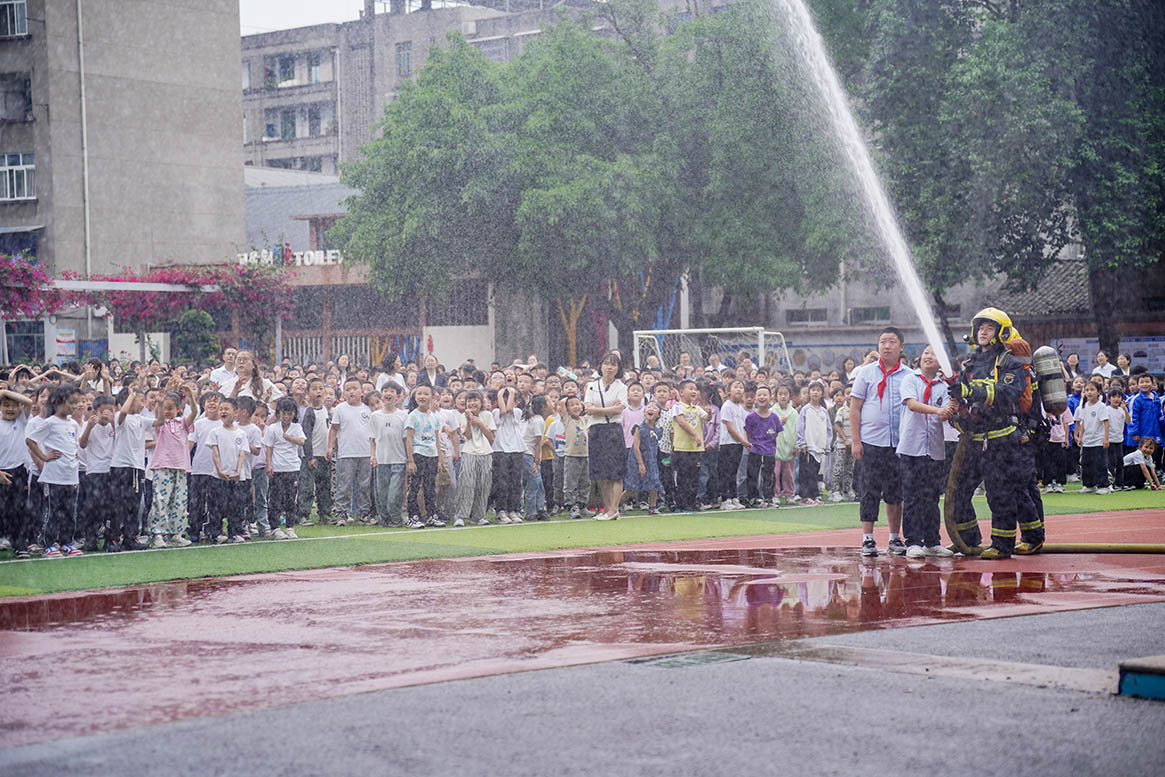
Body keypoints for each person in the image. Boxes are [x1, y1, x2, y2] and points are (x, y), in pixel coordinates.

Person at [952, 309, 1035, 559]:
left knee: (1000, 494)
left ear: (1001, 332)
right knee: (959, 491)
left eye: (989, 328)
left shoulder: (1009, 361)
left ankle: (1002, 544)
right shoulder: (970, 362)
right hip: (974, 439)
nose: (983, 333)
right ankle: (968, 541)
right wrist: (958, 410)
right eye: (980, 328)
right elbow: (960, 395)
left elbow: (1006, 392)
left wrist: (971, 390)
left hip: (1001, 438)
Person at [851, 327, 911, 556]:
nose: (886, 346)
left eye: (891, 341)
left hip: (898, 444)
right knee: (869, 490)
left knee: (896, 492)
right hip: (871, 442)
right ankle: (868, 538)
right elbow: (855, 407)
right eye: (882, 341)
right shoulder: (866, 374)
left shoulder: (908, 375)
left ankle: (895, 538)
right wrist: (856, 441)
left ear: (901, 347)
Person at [897, 346, 957, 558]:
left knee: (931, 496)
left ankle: (932, 541)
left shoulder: (944, 386)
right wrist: (939, 410)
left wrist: (951, 408)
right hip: (911, 447)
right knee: (912, 495)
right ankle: (913, 541)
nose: (929, 357)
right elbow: (912, 405)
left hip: (934, 449)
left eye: (934, 354)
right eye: (926, 353)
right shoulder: (910, 379)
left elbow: (946, 414)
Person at [145, 384, 198, 549]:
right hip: (163, 466)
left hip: (181, 467)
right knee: (161, 500)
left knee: (179, 502)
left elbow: (194, 413)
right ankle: (157, 534)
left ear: (178, 409)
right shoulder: (161, 424)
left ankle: (175, 533)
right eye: (165, 408)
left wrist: (191, 397)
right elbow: (160, 418)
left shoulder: (182, 423)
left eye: (171, 408)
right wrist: (160, 404)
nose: (168, 411)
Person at [584, 352, 628, 521]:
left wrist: (598, 410)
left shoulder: (621, 387)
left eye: (613, 365)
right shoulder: (592, 386)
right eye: (606, 364)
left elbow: (620, 409)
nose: (609, 367)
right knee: (601, 473)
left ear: (618, 369)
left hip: (613, 431)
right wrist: (607, 409)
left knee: (616, 472)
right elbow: (588, 408)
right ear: (601, 366)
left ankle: (615, 509)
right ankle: (608, 508)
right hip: (596, 430)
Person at [328, 377, 373, 524]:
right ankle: (342, 513)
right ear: (343, 393)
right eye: (348, 389)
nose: (351, 392)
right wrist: (330, 447)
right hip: (346, 453)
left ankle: (364, 513)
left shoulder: (368, 409)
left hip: (366, 453)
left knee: (364, 484)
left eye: (355, 388)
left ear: (361, 391)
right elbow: (333, 429)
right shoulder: (340, 409)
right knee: (344, 484)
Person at [405, 384, 447, 527]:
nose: (422, 397)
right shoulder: (412, 416)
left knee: (430, 487)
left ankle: (431, 515)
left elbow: (437, 439)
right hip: (418, 454)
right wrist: (410, 460)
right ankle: (413, 517)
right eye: (419, 394)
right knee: (415, 487)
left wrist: (439, 460)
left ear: (432, 397)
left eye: (425, 394)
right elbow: (409, 438)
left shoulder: (435, 417)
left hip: (432, 456)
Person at [264, 397, 306, 538]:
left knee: (290, 499)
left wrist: (289, 438)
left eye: (290, 413)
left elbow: (301, 441)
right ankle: (274, 528)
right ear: (278, 413)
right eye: (284, 413)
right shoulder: (272, 428)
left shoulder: (297, 427)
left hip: (292, 467)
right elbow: (268, 448)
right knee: (275, 499)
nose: (287, 416)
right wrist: (269, 464)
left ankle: (289, 527)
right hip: (277, 468)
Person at [0, 387, 34, 557]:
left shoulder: (21, 421)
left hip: (19, 470)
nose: (10, 409)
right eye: (6, 405)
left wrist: (6, 392)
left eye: (14, 406)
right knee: (2, 509)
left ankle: (19, 544)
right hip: (0, 470)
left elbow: (28, 402)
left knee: (19, 509)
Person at [209, 397, 248, 544]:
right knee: (217, 506)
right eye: (221, 409)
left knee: (236, 506)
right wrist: (219, 470)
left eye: (227, 409)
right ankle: (216, 533)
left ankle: (235, 532)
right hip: (219, 476)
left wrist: (238, 471)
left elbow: (242, 453)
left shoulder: (241, 433)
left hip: (237, 477)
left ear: (235, 412)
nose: (223, 412)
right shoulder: (215, 432)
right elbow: (215, 452)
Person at [453, 390, 496, 526]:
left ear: (481, 402)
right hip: (469, 452)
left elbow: (491, 438)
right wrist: (469, 420)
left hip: (486, 453)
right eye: (469, 401)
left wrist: (480, 423)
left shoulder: (487, 415)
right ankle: (461, 515)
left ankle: (479, 516)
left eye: (475, 400)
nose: (472, 403)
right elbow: (468, 436)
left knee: (483, 486)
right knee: (467, 484)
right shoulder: (462, 416)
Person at [370, 383, 408, 527]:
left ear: (398, 397)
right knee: (381, 493)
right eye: (385, 391)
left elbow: (406, 439)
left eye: (392, 391)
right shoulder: (375, 416)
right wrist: (372, 456)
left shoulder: (403, 415)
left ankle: (396, 518)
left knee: (394, 494)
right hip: (381, 460)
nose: (388, 393)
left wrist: (409, 459)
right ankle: (385, 519)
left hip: (398, 460)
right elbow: (372, 439)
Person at [298, 378, 332, 526]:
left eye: (320, 388)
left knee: (324, 486)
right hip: (312, 456)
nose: (318, 391)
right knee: (307, 486)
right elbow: (307, 435)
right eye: (314, 389)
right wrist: (310, 456)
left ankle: (325, 513)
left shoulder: (326, 411)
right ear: (308, 393)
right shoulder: (309, 412)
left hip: (325, 455)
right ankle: (304, 514)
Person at [743, 385, 781, 508]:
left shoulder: (774, 417)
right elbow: (747, 432)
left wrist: (770, 443)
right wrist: (750, 444)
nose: (762, 397)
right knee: (753, 474)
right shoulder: (751, 417)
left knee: (769, 475)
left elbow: (777, 431)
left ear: (771, 398)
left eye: (765, 394)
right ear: (755, 398)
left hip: (769, 451)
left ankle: (769, 498)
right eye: (759, 395)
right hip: (755, 450)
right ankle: (754, 498)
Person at [796, 380, 832, 506]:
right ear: (809, 392)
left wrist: (827, 446)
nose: (815, 392)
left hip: (819, 447)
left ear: (822, 393)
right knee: (806, 473)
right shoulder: (805, 410)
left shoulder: (824, 411)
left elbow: (828, 430)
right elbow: (800, 428)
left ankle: (813, 495)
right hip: (808, 447)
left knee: (815, 473)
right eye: (813, 390)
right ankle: (805, 497)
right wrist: (802, 444)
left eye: (818, 390)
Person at [625, 402, 663, 514]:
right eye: (649, 407)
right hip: (637, 460)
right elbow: (636, 447)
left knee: (654, 484)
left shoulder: (658, 430)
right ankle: (616, 505)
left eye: (655, 408)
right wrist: (641, 464)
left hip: (651, 461)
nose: (651, 409)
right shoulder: (639, 428)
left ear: (658, 415)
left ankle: (652, 507)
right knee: (632, 487)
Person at [717, 380, 749, 510]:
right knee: (726, 472)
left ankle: (734, 497)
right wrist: (743, 441)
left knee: (734, 472)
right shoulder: (727, 406)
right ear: (728, 391)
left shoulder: (740, 408)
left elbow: (743, 427)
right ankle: (725, 499)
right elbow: (730, 428)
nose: (739, 389)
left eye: (741, 387)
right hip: (727, 443)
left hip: (738, 444)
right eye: (736, 387)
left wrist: (744, 441)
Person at [1074, 381, 1110, 494]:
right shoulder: (1083, 406)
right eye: (1087, 390)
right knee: (1086, 463)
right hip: (1087, 440)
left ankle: (1104, 486)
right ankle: (1089, 485)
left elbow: (1106, 422)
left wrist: (1106, 438)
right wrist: (1080, 436)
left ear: (1098, 392)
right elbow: (1083, 422)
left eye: (1092, 389)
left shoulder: (1101, 406)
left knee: (1100, 463)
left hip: (1098, 440)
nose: (1089, 392)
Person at [521, 394, 550, 521]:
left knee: (539, 483)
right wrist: (536, 461)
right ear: (543, 406)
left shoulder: (537, 420)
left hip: (530, 454)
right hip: (528, 454)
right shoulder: (538, 421)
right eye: (549, 401)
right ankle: (531, 512)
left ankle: (539, 509)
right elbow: (537, 443)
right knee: (533, 482)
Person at [1107, 389, 1130, 490]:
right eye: (1114, 397)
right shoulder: (1106, 409)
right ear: (1109, 398)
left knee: (1120, 462)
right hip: (1110, 440)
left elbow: (1129, 421)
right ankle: (1110, 483)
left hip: (1119, 440)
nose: (1116, 399)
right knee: (1111, 463)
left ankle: (1119, 484)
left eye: (1119, 397)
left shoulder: (1122, 410)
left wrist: (1125, 409)